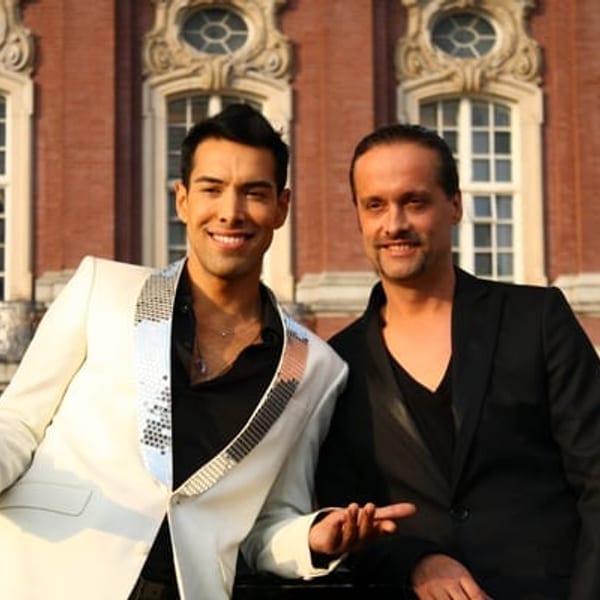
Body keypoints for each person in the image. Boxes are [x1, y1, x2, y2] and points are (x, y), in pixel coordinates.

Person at [0, 104, 415, 600]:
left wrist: (313, 538)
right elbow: (18, 422)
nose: (231, 212)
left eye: (254, 193)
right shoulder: (100, 289)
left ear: (281, 207)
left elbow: (267, 525)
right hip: (46, 572)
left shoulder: (316, 369)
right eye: (212, 189)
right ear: (182, 200)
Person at [315, 122, 600, 600]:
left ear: (455, 205)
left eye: (415, 201)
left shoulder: (536, 320)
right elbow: (342, 520)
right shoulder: (338, 364)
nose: (394, 224)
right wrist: (416, 560)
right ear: (359, 217)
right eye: (375, 205)